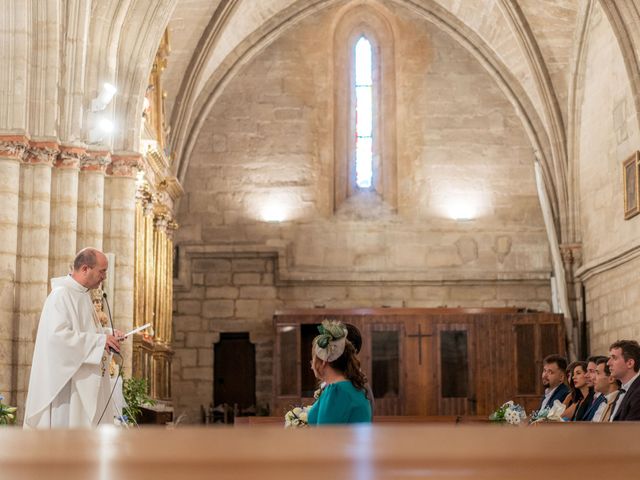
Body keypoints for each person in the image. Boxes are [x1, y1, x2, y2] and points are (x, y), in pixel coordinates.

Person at [23, 248, 123, 428]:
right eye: (102, 271)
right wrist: (101, 341)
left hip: (80, 381)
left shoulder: (83, 296)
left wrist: (107, 334)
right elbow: (58, 338)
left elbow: (85, 330)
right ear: (85, 269)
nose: (104, 277)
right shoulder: (60, 296)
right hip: (68, 387)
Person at [307, 320, 372, 425]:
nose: (311, 365)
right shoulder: (351, 386)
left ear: (323, 361)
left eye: (313, 359)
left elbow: (325, 437)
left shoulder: (336, 391)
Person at [608, 339, 640, 421]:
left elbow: (630, 430)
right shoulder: (622, 390)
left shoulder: (638, 392)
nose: (608, 363)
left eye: (614, 358)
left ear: (630, 363)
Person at [591, 357, 621, 422]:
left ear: (611, 379)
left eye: (598, 373)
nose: (593, 378)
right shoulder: (602, 403)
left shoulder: (620, 402)